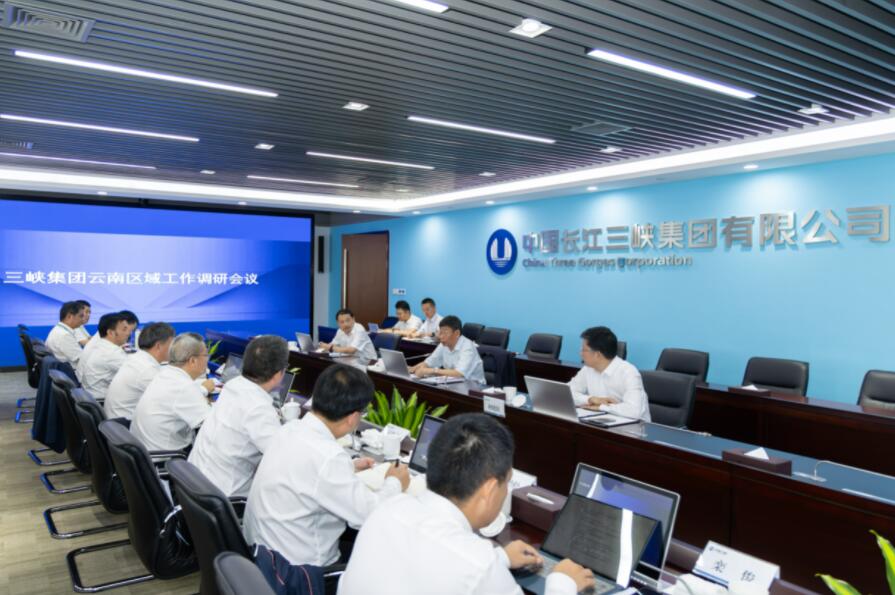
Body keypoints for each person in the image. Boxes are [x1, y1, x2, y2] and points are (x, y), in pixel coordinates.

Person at [337, 413, 593, 595]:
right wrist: (562, 582)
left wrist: (501, 557)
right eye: (506, 483)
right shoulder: (480, 566)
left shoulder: (387, 510)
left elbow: (433, 560)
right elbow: (463, 565)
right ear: (490, 489)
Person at [244, 364, 410, 567]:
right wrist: (395, 482)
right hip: (298, 572)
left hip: (261, 555)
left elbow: (307, 471)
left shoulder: (290, 429)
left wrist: (350, 466)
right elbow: (369, 515)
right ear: (353, 418)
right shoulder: (328, 457)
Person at [188, 335, 287, 498]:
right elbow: (283, 458)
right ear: (278, 374)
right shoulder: (258, 408)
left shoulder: (233, 386)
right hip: (224, 498)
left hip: (194, 484)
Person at [130, 332, 215, 451]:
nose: (207, 359)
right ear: (192, 361)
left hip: (146, 448)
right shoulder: (183, 387)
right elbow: (213, 426)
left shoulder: (165, 374)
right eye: (206, 355)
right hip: (165, 456)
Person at [568, 326, 650, 421]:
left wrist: (601, 407)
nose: (580, 354)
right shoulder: (588, 369)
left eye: (584, 350)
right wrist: (590, 399)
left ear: (597, 354)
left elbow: (634, 411)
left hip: (635, 426)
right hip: (601, 421)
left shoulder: (628, 372)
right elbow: (567, 393)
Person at [104, 322, 175, 420]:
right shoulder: (147, 369)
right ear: (159, 346)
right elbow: (173, 399)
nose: (174, 348)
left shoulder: (137, 358)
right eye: (172, 344)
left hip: (117, 420)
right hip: (126, 423)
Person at [410, 315, 485, 384]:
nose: (441, 337)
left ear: (457, 333)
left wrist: (432, 371)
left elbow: (459, 373)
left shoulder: (468, 347)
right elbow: (429, 362)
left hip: (474, 387)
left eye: (445, 333)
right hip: (453, 384)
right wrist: (413, 369)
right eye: (440, 333)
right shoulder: (444, 344)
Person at [76, 313, 130, 399]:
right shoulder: (111, 353)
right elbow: (136, 373)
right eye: (124, 329)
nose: (128, 333)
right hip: (101, 400)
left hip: (92, 395)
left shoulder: (102, 345)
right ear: (111, 332)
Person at [45, 301, 87, 366]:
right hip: (74, 370)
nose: (83, 319)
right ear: (69, 316)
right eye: (81, 316)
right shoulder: (64, 335)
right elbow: (81, 359)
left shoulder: (59, 330)